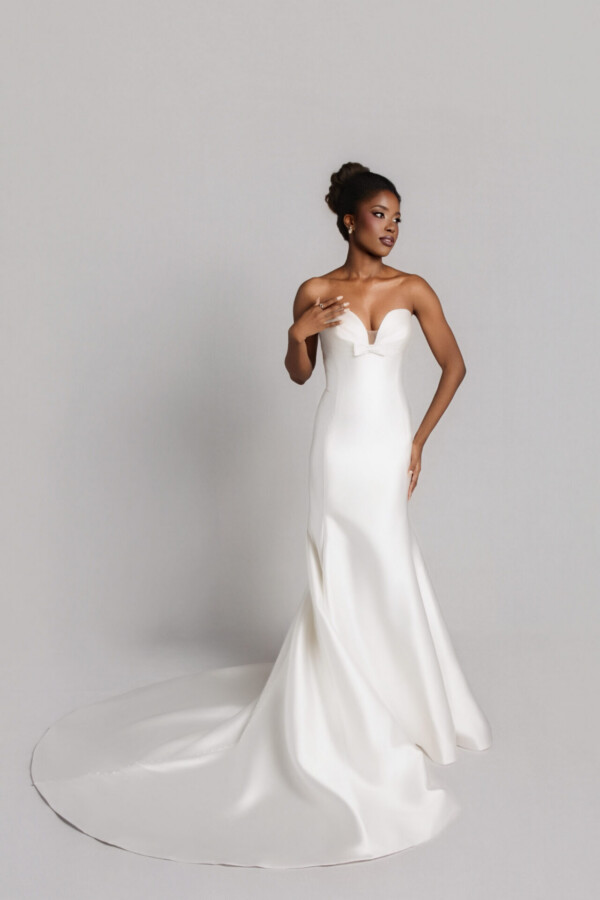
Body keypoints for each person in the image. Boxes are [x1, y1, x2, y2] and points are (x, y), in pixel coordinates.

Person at [30, 162, 492, 869]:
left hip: (386, 451)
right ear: (348, 221)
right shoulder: (316, 291)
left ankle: (403, 698)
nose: (392, 227)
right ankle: (344, 711)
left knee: (389, 566)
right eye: (379, 214)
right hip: (337, 452)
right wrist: (296, 330)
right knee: (337, 570)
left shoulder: (415, 290)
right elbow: (300, 376)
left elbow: (454, 365)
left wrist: (419, 442)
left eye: (398, 216)